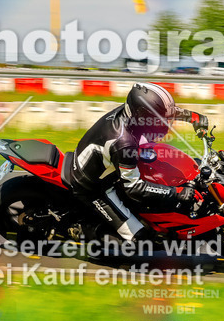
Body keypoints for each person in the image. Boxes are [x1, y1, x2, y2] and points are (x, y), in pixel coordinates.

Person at [68, 81, 209, 241]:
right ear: (143, 116)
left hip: (105, 164)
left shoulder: (133, 116)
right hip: (94, 187)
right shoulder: (124, 143)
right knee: (140, 238)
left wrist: (193, 117)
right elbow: (133, 187)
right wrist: (175, 193)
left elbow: (163, 112)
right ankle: (88, 234)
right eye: (160, 121)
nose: (166, 125)